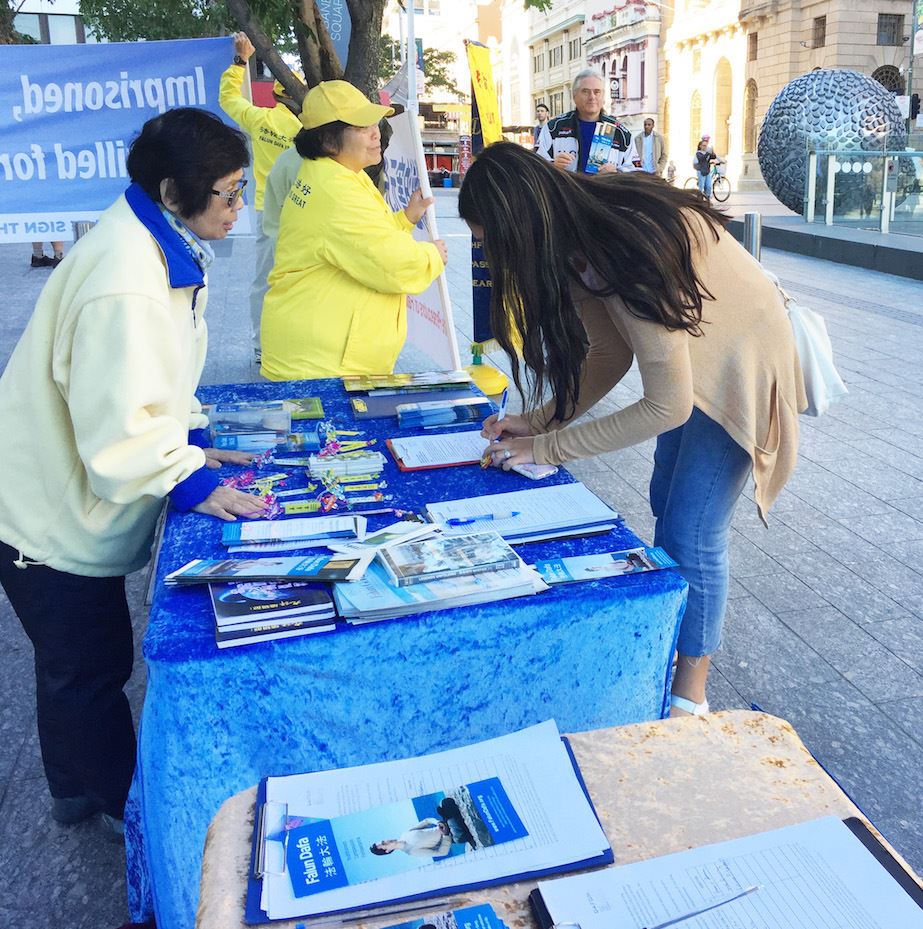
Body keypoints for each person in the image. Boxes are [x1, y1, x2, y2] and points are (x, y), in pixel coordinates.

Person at [458, 143, 806, 717]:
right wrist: (537, 419)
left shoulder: (624, 246)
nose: (492, 259)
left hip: (739, 367)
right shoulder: (577, 243)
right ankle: (673, 642)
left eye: (491, 242)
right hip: (698, 358)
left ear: (520, 224)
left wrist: (548, 446)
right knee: (666, 502)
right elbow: (608, 354)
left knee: (692, 530)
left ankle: (691, 691)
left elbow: (666, 405)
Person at [0, 108, 268, 839]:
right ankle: (121, 807)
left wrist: (193, 438)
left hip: (56, 498)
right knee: (90, 668)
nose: (237, 208)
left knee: (70, 664)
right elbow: (118, 428)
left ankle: (72, 788)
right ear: (172, 190)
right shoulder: (125, 277)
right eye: (228, 193)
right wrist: (192, 480)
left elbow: (157, 376)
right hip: (45, 516)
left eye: (241, 190)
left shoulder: (158, 241)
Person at [260, 80, 447, 380]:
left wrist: (405, 220)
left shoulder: (339, 174)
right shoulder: (335, 191)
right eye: (361, 128)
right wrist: (432, 256)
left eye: (374, 124)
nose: (376, 134)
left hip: (323, 358)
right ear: (328, 141)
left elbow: (364, 236)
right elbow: (391, 264)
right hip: (320, 367)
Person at [219, 31, 304, 363]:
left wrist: (240, 61)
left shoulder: (260, 120)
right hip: (303, 211)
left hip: (267, 212)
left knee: (264, 280)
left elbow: (228, 98)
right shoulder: (312, 133)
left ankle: (261, 346)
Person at [535, 69, 634, 174]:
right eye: (585, 91)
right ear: (574, 96)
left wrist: (617, 173)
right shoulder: (553, 128)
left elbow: (636, 173)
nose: (592, 97)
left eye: (597, 92)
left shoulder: (621, 133)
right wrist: (552, 165)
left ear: (603, 97)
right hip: (566, 185)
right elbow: (535, 165)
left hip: (606, 185)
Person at [370, 819, 453, 858]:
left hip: (443, 824)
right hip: (451, 835)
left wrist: (437, 822)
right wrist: (446, 835)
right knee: (453, 822)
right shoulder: (412, 851)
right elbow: (441, 853)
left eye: (383, 841)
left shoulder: (405, 834)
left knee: (445, 803)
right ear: (387, 851)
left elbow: (426, 821)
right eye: (384, 844)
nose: (386, 841)